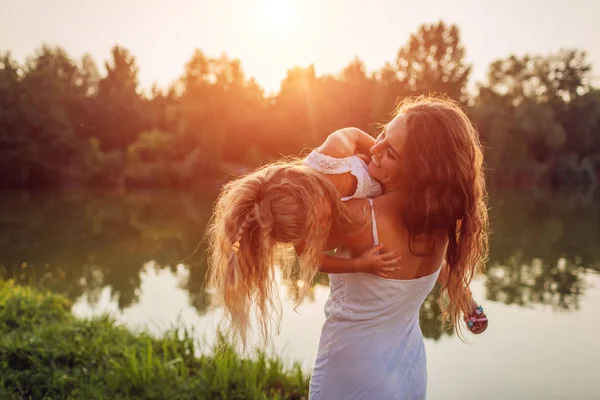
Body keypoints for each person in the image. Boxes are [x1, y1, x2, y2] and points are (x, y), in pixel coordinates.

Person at [308, 96, 489, 399]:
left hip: (352, 373)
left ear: (419, 171)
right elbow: (438, 268)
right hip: (409, 368)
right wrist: (469, 303)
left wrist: (343, 143)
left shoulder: (359, 215)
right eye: (381, 135)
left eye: (390, 152)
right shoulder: (440, 222)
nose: (374, 149)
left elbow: (302, 247)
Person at [205, 127, 401, 348]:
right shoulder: (303, 219)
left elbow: (354, 134)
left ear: (308, 190)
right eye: (310, 231)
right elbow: (313, 259)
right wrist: (358, 264)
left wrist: (382, 158)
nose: (320, 229)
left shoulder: (333, 156)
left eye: (316, 222)